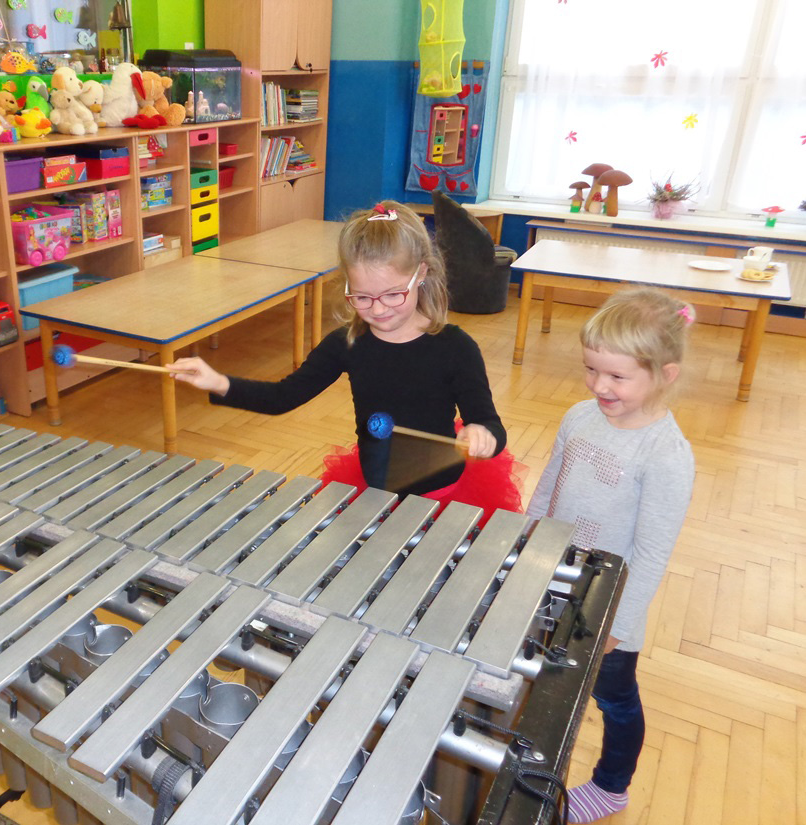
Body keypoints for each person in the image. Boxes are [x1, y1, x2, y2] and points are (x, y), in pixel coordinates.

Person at [168, 200, 522, 517]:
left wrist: (482, 434)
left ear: (422, 274)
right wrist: (218, 382)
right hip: (374, 487)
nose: (378, 309)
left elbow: (490, 425)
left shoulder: (455, 347)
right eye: (362, 298)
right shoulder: (348, 343)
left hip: (441, 495)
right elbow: (282, 397)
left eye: (393, 295)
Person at [525, 288, 695, 823]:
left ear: (665, 375)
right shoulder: (580, 416)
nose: (600, 385)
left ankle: (611, 787)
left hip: (608, 608)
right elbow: (549, 486)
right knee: (545, 676)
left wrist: (614, 629)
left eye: (617, 376)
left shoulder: (665, 455)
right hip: (555, 578)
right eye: (591, 369)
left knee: (613, 698)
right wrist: (525, 541)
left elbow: (651, 553)